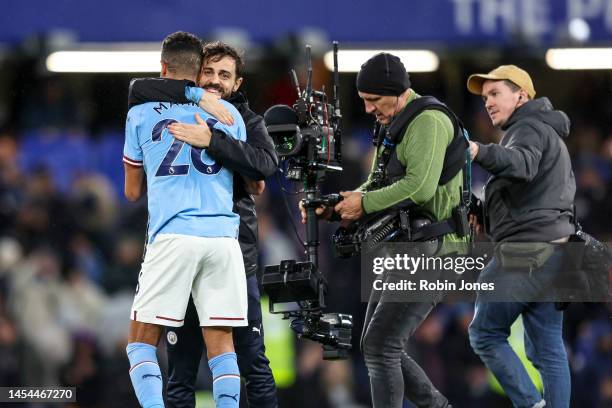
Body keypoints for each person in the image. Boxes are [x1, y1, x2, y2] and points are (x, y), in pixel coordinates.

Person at [301, 52, 466, 408]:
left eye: (374, 100)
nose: (368, 109)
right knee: (376, 345)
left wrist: (362, 204)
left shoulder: (428, 121)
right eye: (364, 101)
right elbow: (376, 184)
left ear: (398, 91)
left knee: (381, 346)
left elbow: (419, 187)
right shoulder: (395, 123)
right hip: (410, 246)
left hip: (435, 248)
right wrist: (337, 204)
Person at [128, 41, 279, 408]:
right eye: (207, 72)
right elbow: (257, 185)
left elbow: (262, 172)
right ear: (196, 73)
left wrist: (211, 140)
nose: (213, 81)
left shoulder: (241, 119)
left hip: (202, 246)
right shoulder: (233, 116)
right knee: (204, 358)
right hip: (223, 243)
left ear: (237, 83)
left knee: (145, 345)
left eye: (223, 75)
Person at [466, 65, 574, 408]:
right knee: (547, 348)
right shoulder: (545, 130)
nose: (488, 103)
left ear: (522, 96)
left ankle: (532, 405)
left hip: (527, 251)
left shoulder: (527, 127)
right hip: (557, 251)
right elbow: (532, 197)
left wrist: (479, 151)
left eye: (495, 93)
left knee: (484, 333)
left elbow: (522, 164)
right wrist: (487, 217)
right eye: (485, 98)